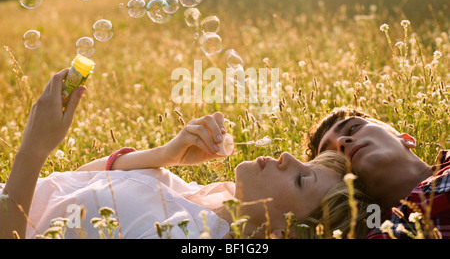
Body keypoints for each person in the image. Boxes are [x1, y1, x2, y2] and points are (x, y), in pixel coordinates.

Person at [0, 70, 369, 239]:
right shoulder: (219, 198)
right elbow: (77, 186)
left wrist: (32, 150)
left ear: (282, 234)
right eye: (306, 162)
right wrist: (166, 155)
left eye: (302, 178)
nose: (289, 157)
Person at [305, 106, 450, 239]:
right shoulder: (383, 234)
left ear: (406, 139)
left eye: (353, 128)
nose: (342, 141)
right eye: (331, 155)